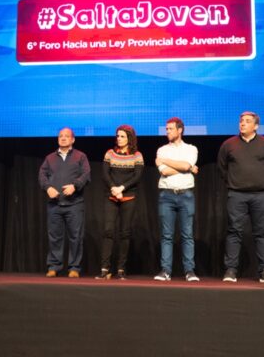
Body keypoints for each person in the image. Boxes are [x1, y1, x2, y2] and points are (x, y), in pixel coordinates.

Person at [218, 111, 264, 283]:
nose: (243, 123)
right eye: (241, 121)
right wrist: (234, 182)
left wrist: (262, 182)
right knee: (234, 232)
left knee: (262, 233)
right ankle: (231, 270)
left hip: (261, 195)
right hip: (237, 195)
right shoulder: (228, 144)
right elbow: (222, 168)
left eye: (247, 121)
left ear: (256, 126)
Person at [38, 127, 91, 278]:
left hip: (74, 204)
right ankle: (54, 266)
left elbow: (86, 174)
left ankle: (74, 268)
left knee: (76, 237)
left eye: (66, 136)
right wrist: (48, 187)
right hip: (54, 204)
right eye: (60, 136)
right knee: (55, 237)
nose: (63, 138)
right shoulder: (50, 158)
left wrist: (75, 186)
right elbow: (42, 175)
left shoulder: (80, 156)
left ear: (73, 139)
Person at [153, 117, 199, 282]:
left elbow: (186, 165)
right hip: (167, 195)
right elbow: (165, 172)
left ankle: (189, 271)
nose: (167, 131)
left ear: (180, 130)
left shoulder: (191, 149)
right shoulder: (162, 150)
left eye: (170, 129)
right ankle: (166, 270)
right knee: (167, 235)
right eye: (166, 129)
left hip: (186, 195)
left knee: (187, 235)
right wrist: (188, 168)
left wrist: (183, 166)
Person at [96, 125, 144, 280]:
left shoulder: (137, 155)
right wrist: (113, 189)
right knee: (108, 231)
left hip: (128, 196)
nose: (119, 138)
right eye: (118, 136)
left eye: (122, 136)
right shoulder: (110, 153)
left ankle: (121, 269)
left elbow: (137, 176)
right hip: (111, 196)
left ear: (130, 138)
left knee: (125, 233)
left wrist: (122, 188)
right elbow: (105, 174)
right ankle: (105, 269)